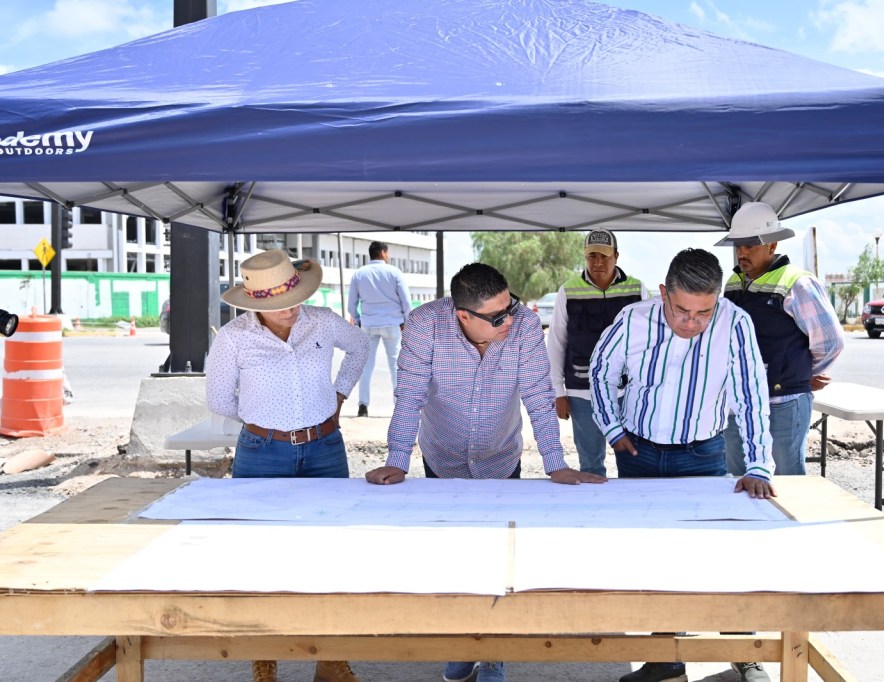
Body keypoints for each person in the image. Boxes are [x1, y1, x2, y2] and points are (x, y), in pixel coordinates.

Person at [366, 262, 605, 682]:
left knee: (500, 560)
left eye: (509, 307)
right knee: (452, 558)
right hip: (443, 456)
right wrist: (397, 460)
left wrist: (556, 464)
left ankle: (493, 653)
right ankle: (461, 644)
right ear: (462, 315)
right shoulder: (424, 326)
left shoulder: (526, 327)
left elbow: (537, 394)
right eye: (497, 317)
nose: (508, 320)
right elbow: (409, 397)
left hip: (500, 456)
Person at [590, 248, 775, 682]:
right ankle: (664, 660)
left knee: (714, 556)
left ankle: (744, 651)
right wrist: (613, 429)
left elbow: (750, 396)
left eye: (703, 313)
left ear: (718, 300)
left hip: (703, 454)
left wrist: (758, 465)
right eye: (682, 311)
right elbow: (599, 372)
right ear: (662, 293)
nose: (691, 324)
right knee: (653, 558)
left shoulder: (735, 323)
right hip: (639, 453)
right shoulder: (633, 319)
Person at [206, 249, 370, 682]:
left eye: (295, 299)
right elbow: (219, 399)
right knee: (261, 556)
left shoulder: (323, 321)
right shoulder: (233, 338)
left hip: (324, 447)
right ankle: (265, 658)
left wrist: (338, 394)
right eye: (280, 306)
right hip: (262, 452)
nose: (292, 310)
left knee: (331, 552)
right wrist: (267, 422)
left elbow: (359, 346)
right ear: (256, 304)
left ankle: (330, 658)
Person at [716, 202, 845, 477]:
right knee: (739, 478)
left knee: (787, 481)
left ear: (772, 245)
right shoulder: (734, 283)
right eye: (738, 245)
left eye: (750, 245)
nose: (742, 252)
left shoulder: (797, 283)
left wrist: (802, 373)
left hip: (784, 402)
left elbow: (831, 341)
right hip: (740, 402)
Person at [547, 228, 648, 476]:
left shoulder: (637, 289)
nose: (598, 262)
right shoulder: (568, 290)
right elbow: (556, 342)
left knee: (633, 461)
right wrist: (558, 392)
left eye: (604, 256)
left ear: (616, 256)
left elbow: (647, 343)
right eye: (592, 256)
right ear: (585, 256)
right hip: (581, 393)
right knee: (590, 465)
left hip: (627, 392)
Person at [347, 240, 412, 417]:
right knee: (395, 366)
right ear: (383, 253)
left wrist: (359, 320)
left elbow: (352, 304)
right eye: (388, 253)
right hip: (392, 324)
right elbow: (406, 301)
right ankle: (399, 405)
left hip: (369, 325)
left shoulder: (359, 274)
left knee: (367, 366)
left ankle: (363, 405)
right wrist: (407, 320)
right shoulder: (394, 272)